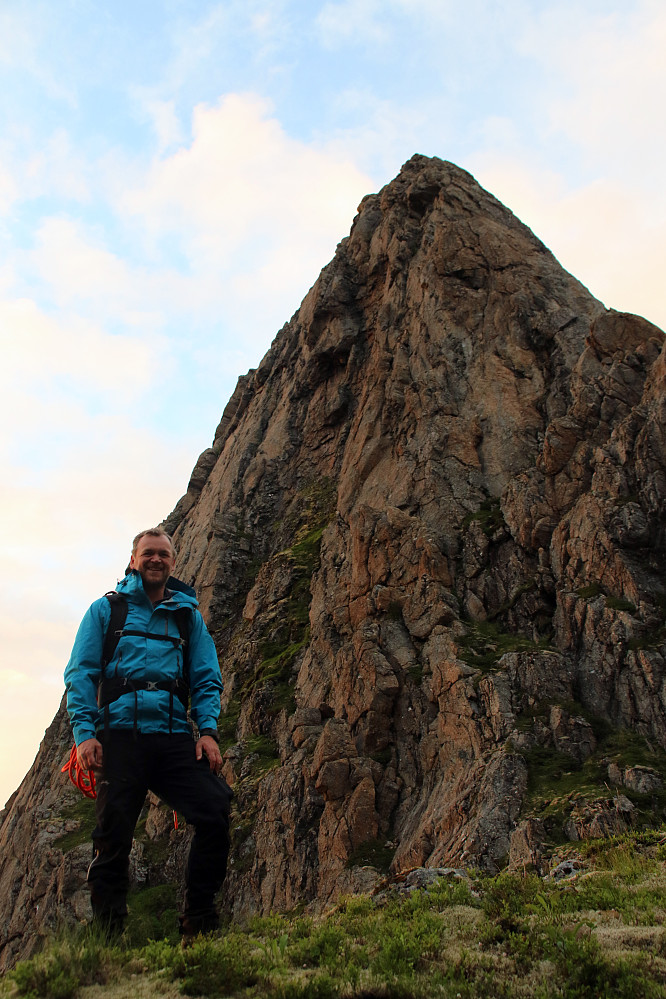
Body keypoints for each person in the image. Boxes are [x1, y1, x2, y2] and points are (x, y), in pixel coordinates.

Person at [64, 528, 232, 939]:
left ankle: (199, 924)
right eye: (148, 554)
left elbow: (207, 678)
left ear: (173, 562)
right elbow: (81, 675)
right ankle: (107, 940)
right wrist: (85, 735)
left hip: (173, 737)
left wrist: (207, 731)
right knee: (113, 836)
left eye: (164, 554)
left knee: (215, 809)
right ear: (133, 560)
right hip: (119, 738)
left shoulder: (187, 618)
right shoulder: (105, 611)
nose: (156, 560)